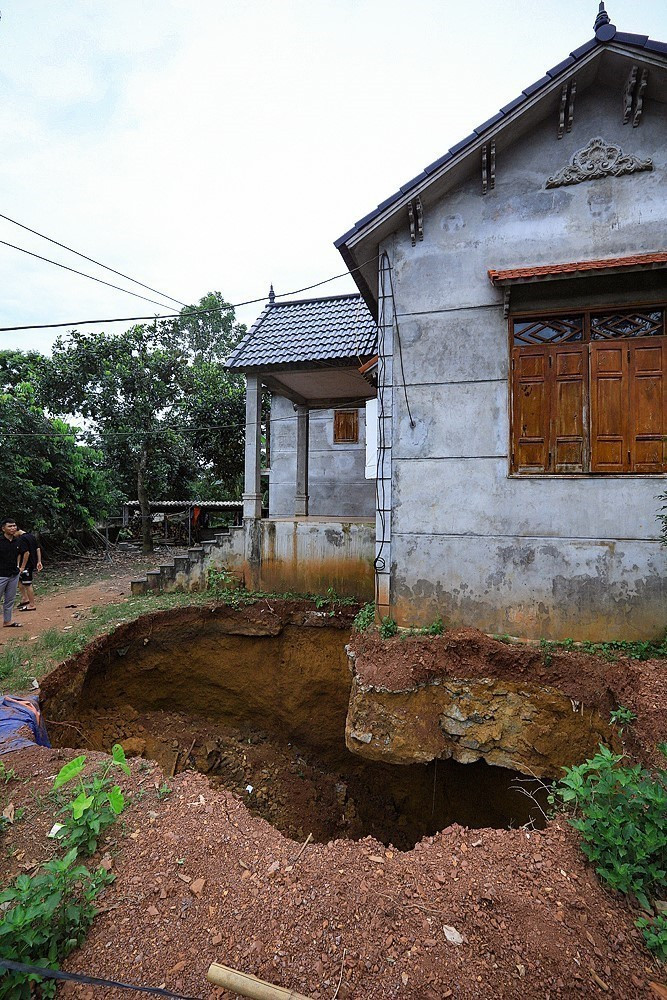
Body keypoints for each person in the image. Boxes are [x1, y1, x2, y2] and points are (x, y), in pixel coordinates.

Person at [0, 518, 21, 629]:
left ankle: (7, 621)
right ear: (3, 528)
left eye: (14, 525)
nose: (13, 528)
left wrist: (19, 567)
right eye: (10, 526)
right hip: (1, 574)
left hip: (13, 574)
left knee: (10, 599)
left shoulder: (17, 541)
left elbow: (19, 554)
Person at [16, 527, 42, 612]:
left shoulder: (22, 538)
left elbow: (26, 553)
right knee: (19, 581)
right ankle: (25, 598)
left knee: (27, 584)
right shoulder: (31, 536)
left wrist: (22, 566)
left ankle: (32, 604)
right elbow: (38, 548)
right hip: (30, 562)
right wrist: (39, 561)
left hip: (26, 564)